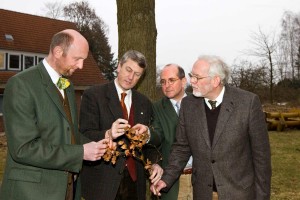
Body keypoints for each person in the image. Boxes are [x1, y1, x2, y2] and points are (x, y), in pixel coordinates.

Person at [0, 29, 109, 200]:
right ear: (58, 52)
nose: (81, 66)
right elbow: (23, 149)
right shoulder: (21, 84)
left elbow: (69, 133)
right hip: (32, 192)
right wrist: (80, 153)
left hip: (67, 190)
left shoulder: (68, 85)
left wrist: (101, 144)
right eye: (77, 59)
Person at [151, 55, 272, 200]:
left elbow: (261, 158)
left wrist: (262, 197)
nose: (192, 81)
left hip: (239, 193)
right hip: (203, 193)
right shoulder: (188, 105)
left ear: (215, 80)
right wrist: (166, 179)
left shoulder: (247, 103)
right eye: (191, 76)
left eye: (197, 77)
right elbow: (182, 148)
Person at [79, 50, 163, 200]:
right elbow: (83, 135)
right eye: (128, 70)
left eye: (137, 74)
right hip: (102, 182)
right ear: (119, 66)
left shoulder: (144, 103)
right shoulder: (93, 95)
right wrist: (108, 134)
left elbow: (149, 144)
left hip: (135, 184)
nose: (131, 77)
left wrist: (154, 164)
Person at [151, 64, 193, 200]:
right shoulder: (156, 108)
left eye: (171, 80)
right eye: (163, 82)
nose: (167, 85)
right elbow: (156, 138)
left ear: (183, 81)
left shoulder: (199, 102)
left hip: (200, 180)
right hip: (172, 181)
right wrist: (147, 135)